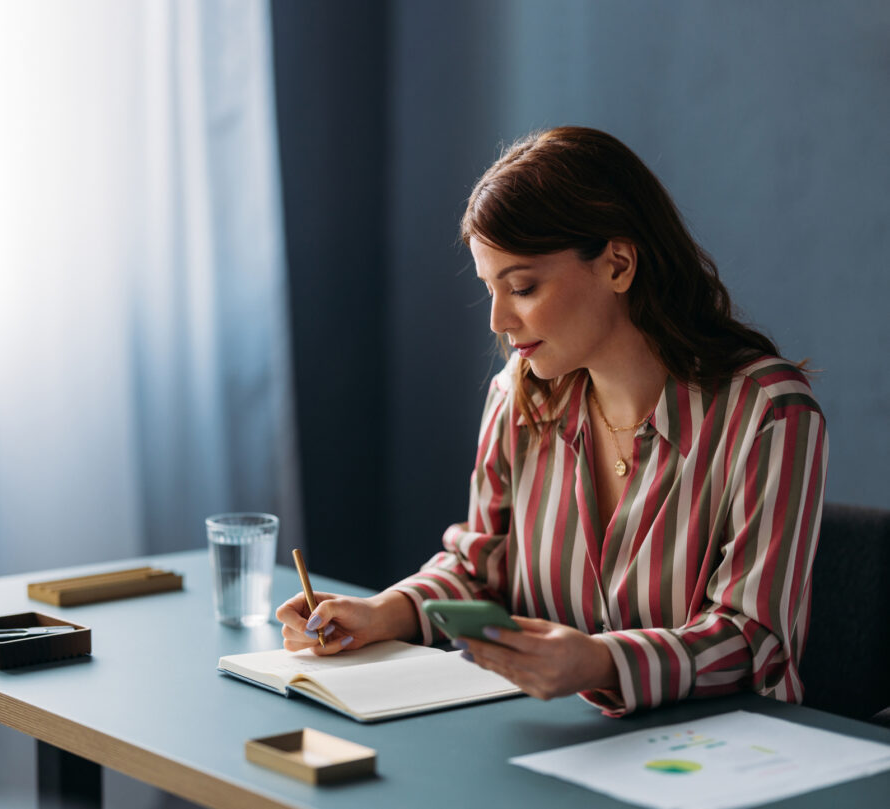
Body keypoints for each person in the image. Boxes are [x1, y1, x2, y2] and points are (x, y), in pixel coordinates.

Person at [275, 126, 828, 717]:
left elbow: (756, 640)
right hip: (553, 746)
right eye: (490, 288)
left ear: (617, 263)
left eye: (521, 287)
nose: (497, 320)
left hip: (721, 763)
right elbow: (479, 570)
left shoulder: (768, 412)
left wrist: (600, 663)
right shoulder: (517, 400)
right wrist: (385, 613)